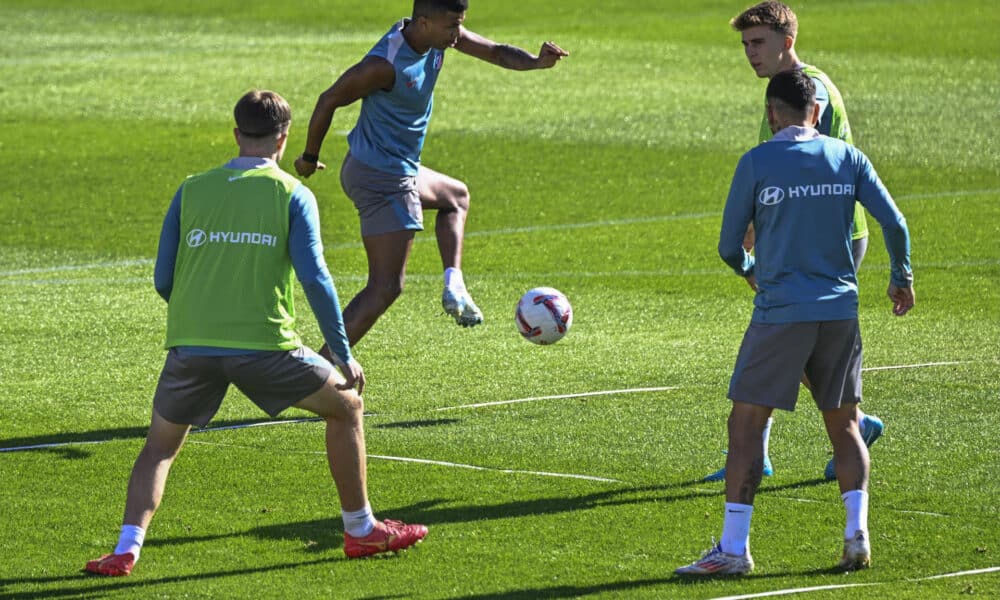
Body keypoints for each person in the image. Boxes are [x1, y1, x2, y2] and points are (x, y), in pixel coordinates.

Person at [84, 90, 427, 577]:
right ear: (284, 138)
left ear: (236, 134)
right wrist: (343, 353)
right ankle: (360, 529)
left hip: (191, 345)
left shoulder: (192, 188)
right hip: (266, 347)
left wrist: (199, 316)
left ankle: (125, 549)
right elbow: (315, 278)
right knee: (347, 406)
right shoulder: (292, 194)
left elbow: (164, 279)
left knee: (159, 447)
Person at [675, 70, 913, 576]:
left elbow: (728, 246)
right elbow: (894, 222)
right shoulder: (847, 157)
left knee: (745, 428)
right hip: (839, 313)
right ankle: (856, 535)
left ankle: (734, 550)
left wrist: (751, 272)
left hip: (781, 314)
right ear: (818, 113)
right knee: (846, 426)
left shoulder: (758, 162)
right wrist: (901, 278)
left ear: (770, 113)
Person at [294, 0, 568, 348]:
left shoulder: (439, 38)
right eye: (452, 26)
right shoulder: (384, 65)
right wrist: (308, 157)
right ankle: (326, 370)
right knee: (385, 287)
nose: (458, 34)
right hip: (383, 178)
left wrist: (536, 62)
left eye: (460, 25)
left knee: (456, 197)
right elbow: (328, 98)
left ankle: (454, 284)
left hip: (393, 168)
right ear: (423, 22)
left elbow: (497, 53)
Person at [705, 0, 884, 483]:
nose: (750, 53)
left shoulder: (812, 94)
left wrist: (748, 240)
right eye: (745, 45)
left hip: (823, 241)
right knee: (785, 342)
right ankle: (781, 444)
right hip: (794, 238)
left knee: (782, 341)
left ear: (787, 42)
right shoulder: (786, 90)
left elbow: (806, 177)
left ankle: (827, 431)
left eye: (758, 43)